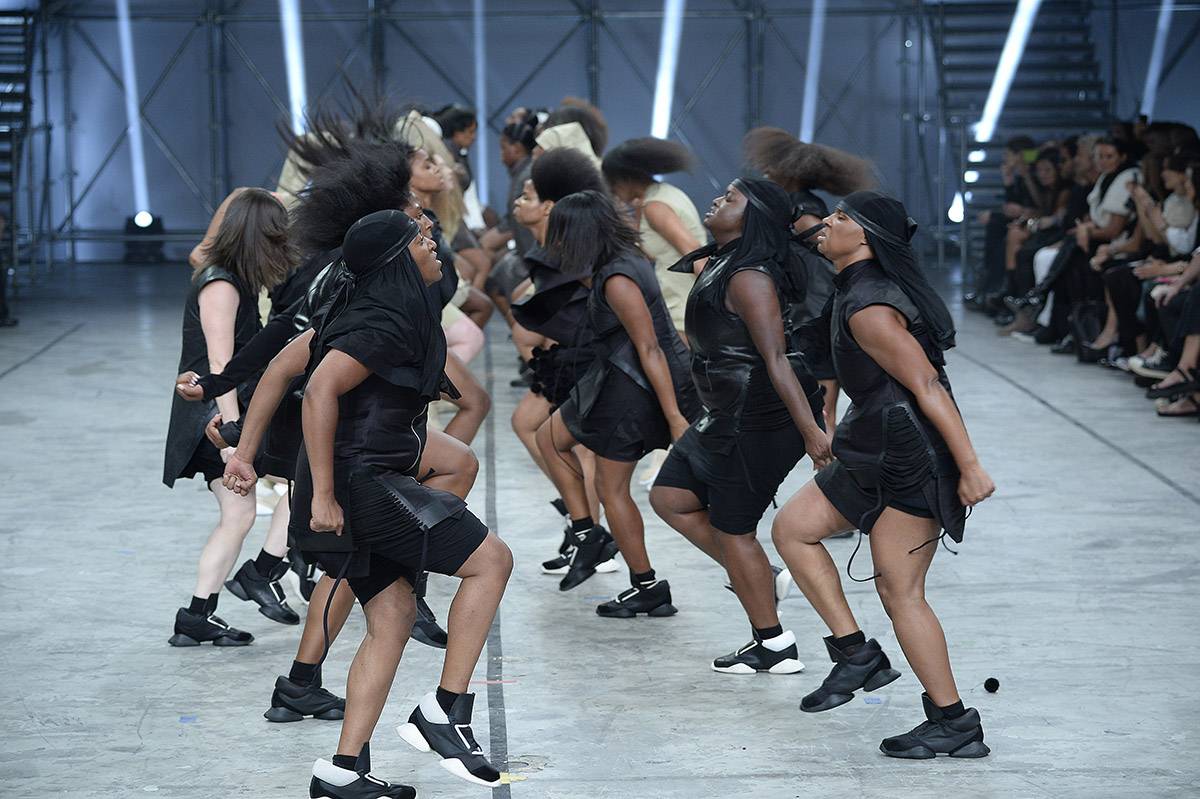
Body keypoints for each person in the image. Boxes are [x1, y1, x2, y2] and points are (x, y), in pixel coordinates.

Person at [225, 210, 511, 795]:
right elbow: (319, 392)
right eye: (424, 240)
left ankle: (343, 770)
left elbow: (279, 369)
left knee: (394, 618)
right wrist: (322, 495)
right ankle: (445, 710)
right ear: (397, 258)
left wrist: (244, 455)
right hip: (361, 485)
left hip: (362, 481)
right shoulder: (381, 322)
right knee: (492, 560)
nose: (435, 247)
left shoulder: (359, 312)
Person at [773, 191, 996, 759]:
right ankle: (855, 654)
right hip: (871, 447)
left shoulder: (870, 304)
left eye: (843, 218)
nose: (828, 222)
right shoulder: (853, 289)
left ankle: (953, 721)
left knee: (902, 592)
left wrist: (969, 467)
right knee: (793, 528)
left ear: (867, 238)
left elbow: (926, 386)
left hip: (910, 458)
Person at [649, 177, 833, 673]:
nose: (716, 200)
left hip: (757, 419)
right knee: (670, 497)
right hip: (723, 414)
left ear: (752, 218)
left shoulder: (750, 275)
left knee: (734, 529)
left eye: (730, 198)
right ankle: (761, 576)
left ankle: (772, 643)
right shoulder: (725, 262)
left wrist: (813, 432)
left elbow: (776, 358)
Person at [535, 190, 699, 614]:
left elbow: (651, 350)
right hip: (617, 377)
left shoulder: (619, 277)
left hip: (635, 387)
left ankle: (644, 584)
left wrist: (675, 418)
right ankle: (590, 534)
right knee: (548, 438)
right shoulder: (620, 260)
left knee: (611, 488)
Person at [163, 188, 297, 647]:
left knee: (238, 514)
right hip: (216, 416)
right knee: (308, 478)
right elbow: (219, 365)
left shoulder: (232, 277)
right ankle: (264, 571)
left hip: (220, 410)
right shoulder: (220, 283)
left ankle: (197, 615)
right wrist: (236, 436)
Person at [507, 147, 618, 575]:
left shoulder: (565, 251)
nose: (518, 201)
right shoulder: (547, 249)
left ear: (549, 207)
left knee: (576, 449)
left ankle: (587, 532)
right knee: (529, 426)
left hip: (582, 359)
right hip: (559, 360)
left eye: (528, 195)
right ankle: (581, 524)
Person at [601, 137, 705, 338]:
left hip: (682, 309)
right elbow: (651, 253)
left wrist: (721, 301)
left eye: (612, 185)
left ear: (625, 178)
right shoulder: (665, 195)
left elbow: (694, 252)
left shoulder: (655, 207)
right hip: (682, 304)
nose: (612, 191)